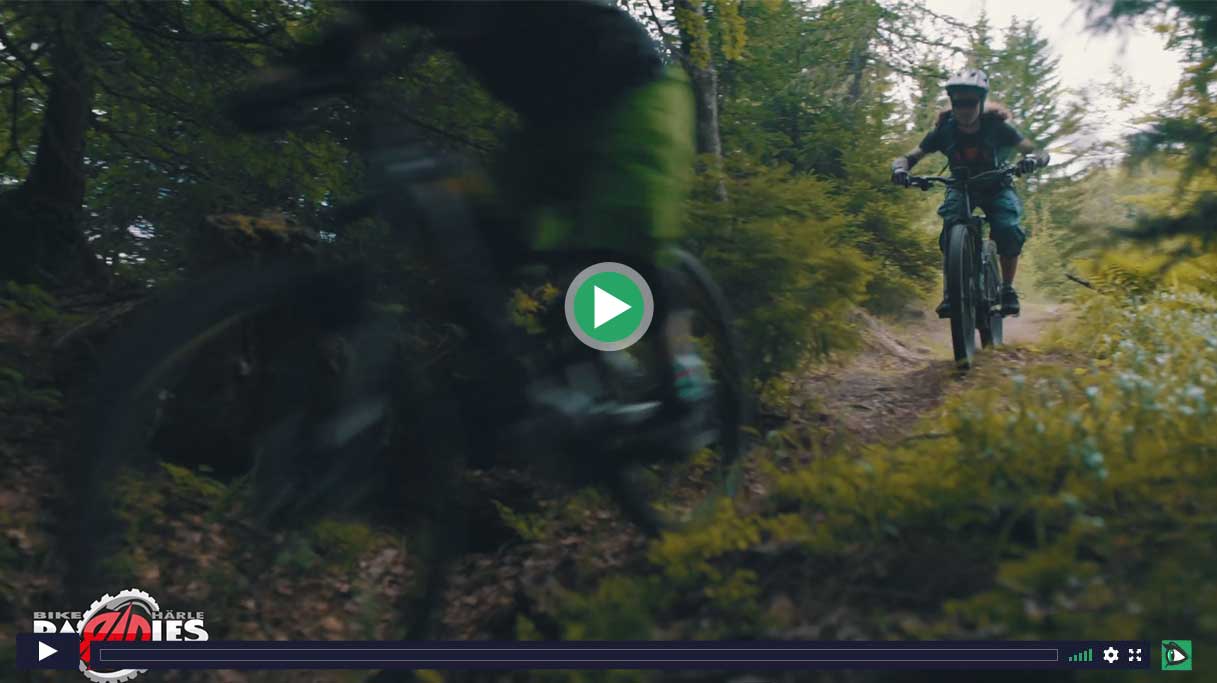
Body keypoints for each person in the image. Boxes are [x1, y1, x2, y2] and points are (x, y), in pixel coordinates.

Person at [890, 68, 1049, 317]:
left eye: (970, 103)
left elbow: (1037, 151)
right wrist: (900, 170)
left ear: (981, 102)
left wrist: (1032, 160)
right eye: (958, 103)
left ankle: (1007, 289)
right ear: (952, 103)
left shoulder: (999, 128)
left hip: (997, 185)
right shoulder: (944, 131)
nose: (964, 109)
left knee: (1007, 228)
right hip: (961, 186)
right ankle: (951, 293)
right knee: (950, 228)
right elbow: (910, 157)